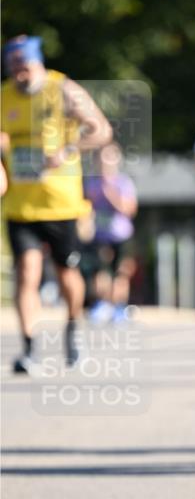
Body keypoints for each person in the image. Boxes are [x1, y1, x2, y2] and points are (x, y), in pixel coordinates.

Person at [0, 35, 112, 372]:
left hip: (61, 203)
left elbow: (100, 129)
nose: (21, 73)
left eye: (26, 65)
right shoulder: (4, 97)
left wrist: (66, 150)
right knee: (27, 274)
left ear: (38, 63)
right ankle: (30, 348)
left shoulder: (63, 89)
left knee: (67, 276)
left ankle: (73, 330)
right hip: (20, 204)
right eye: (14, 66)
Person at [83, 141, 138, 324]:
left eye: (109, 157)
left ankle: (119, 307)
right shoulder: (91, 182)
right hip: (99, 234)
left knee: (120, 273)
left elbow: (129, 209)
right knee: (100, 272)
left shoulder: (123, 182)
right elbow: (85, 207)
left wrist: (110, 192)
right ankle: (101, 304)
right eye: (101, 157)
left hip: (120, 234)